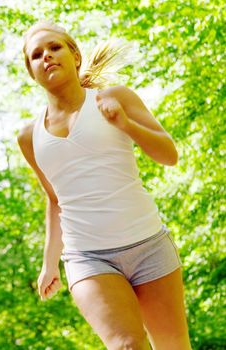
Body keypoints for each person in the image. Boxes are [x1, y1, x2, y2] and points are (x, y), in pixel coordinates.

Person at [16, 21, 192, 350]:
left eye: (54, 48)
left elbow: (169, 155)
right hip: (87, 256)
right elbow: (55, 200)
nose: (47, 57)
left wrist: (124, 124)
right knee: (126, 344)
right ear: (32, 72)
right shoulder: (29, 137)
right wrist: (49, 263)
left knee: (174, 346)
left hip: (148, 245)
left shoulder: (114, 98)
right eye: (37, 55)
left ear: (75, 56)